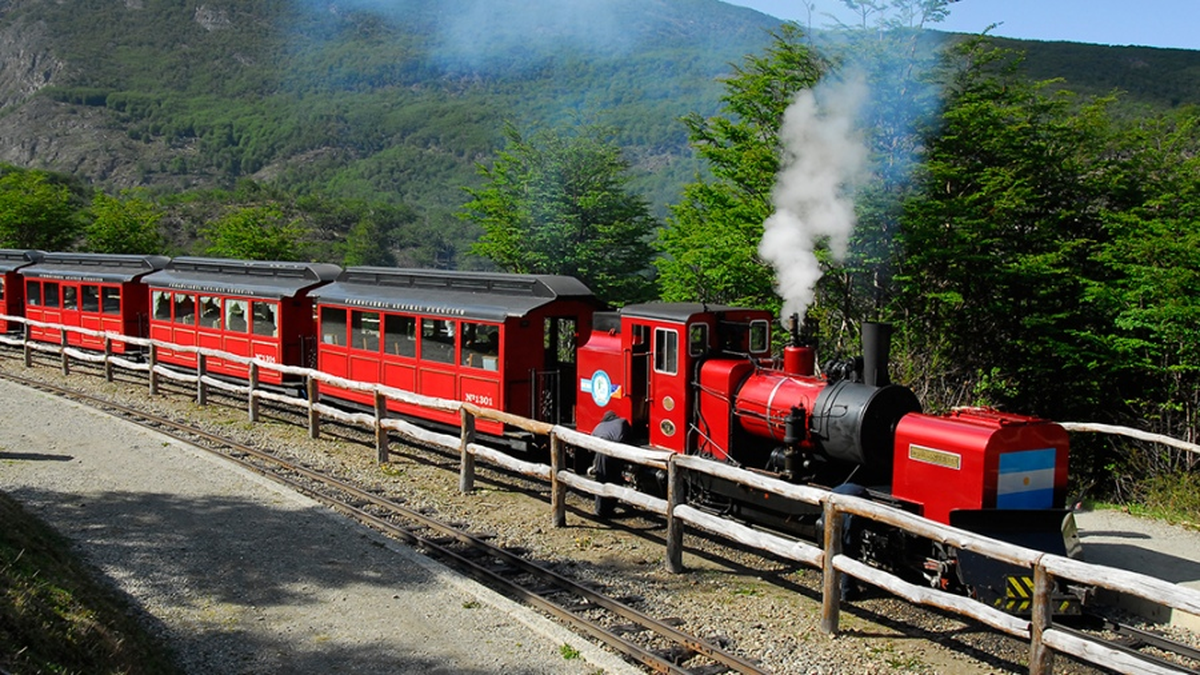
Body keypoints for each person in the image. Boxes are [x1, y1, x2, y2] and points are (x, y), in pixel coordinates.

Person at [590, 411, 631, 517]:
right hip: (613, 452)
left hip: (600, 453)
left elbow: (591, 440)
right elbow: (623, 437)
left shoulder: (599, 426)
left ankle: (600, 509)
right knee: (614, 480)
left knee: (601, 480)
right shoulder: (622, 422)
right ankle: (607, 509)